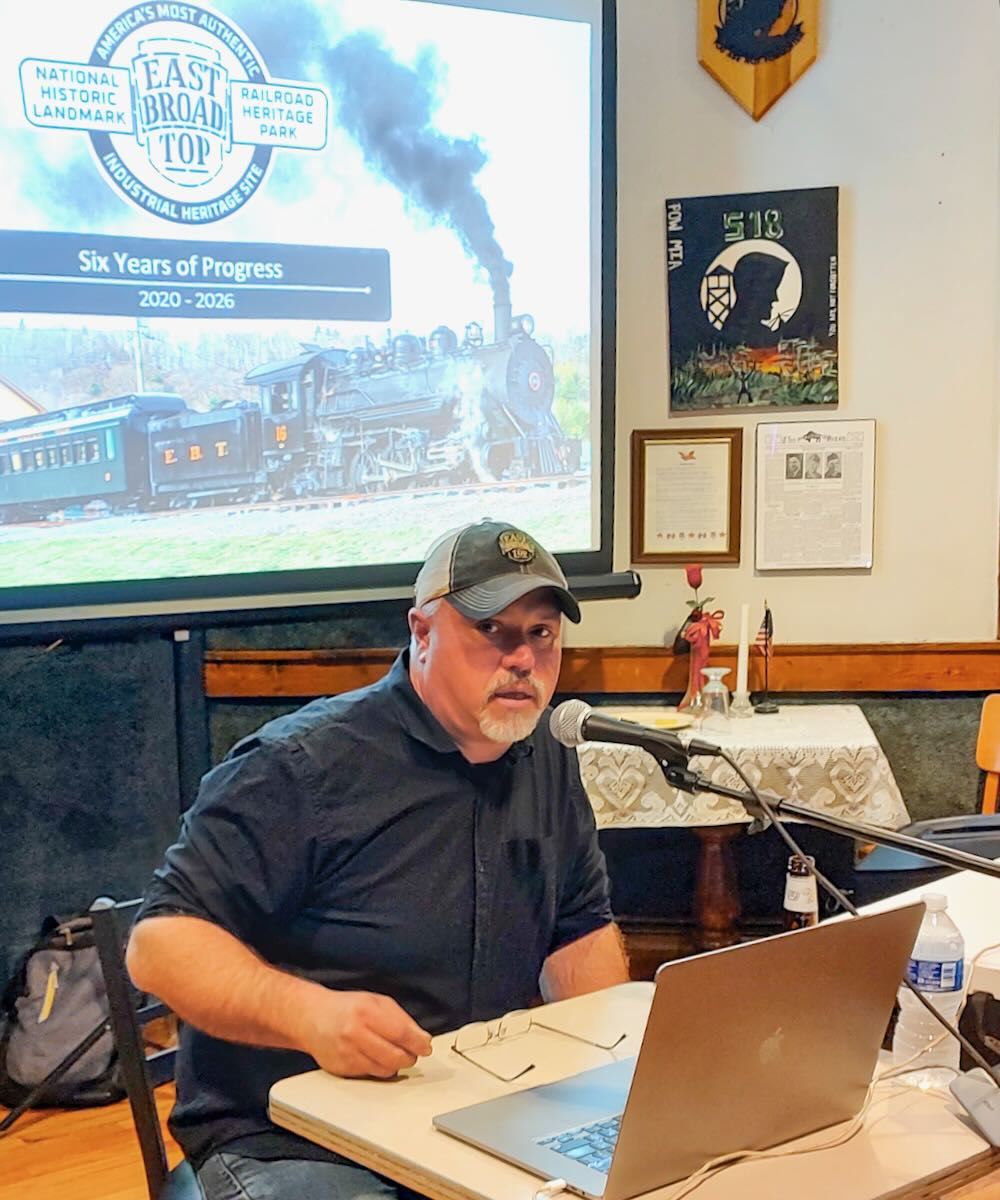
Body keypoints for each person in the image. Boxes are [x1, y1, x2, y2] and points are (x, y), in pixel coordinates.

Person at [126, 519, 629, 1200]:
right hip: (292, 1135)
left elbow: (581, 936)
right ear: (421, 633)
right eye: (491, 631)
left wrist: (620, 1084)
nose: (522, 659)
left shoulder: (547, 759)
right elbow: (159, 947)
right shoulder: (300, 767)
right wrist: (314, 1017)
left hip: (477, 1111)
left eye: (541, 634)